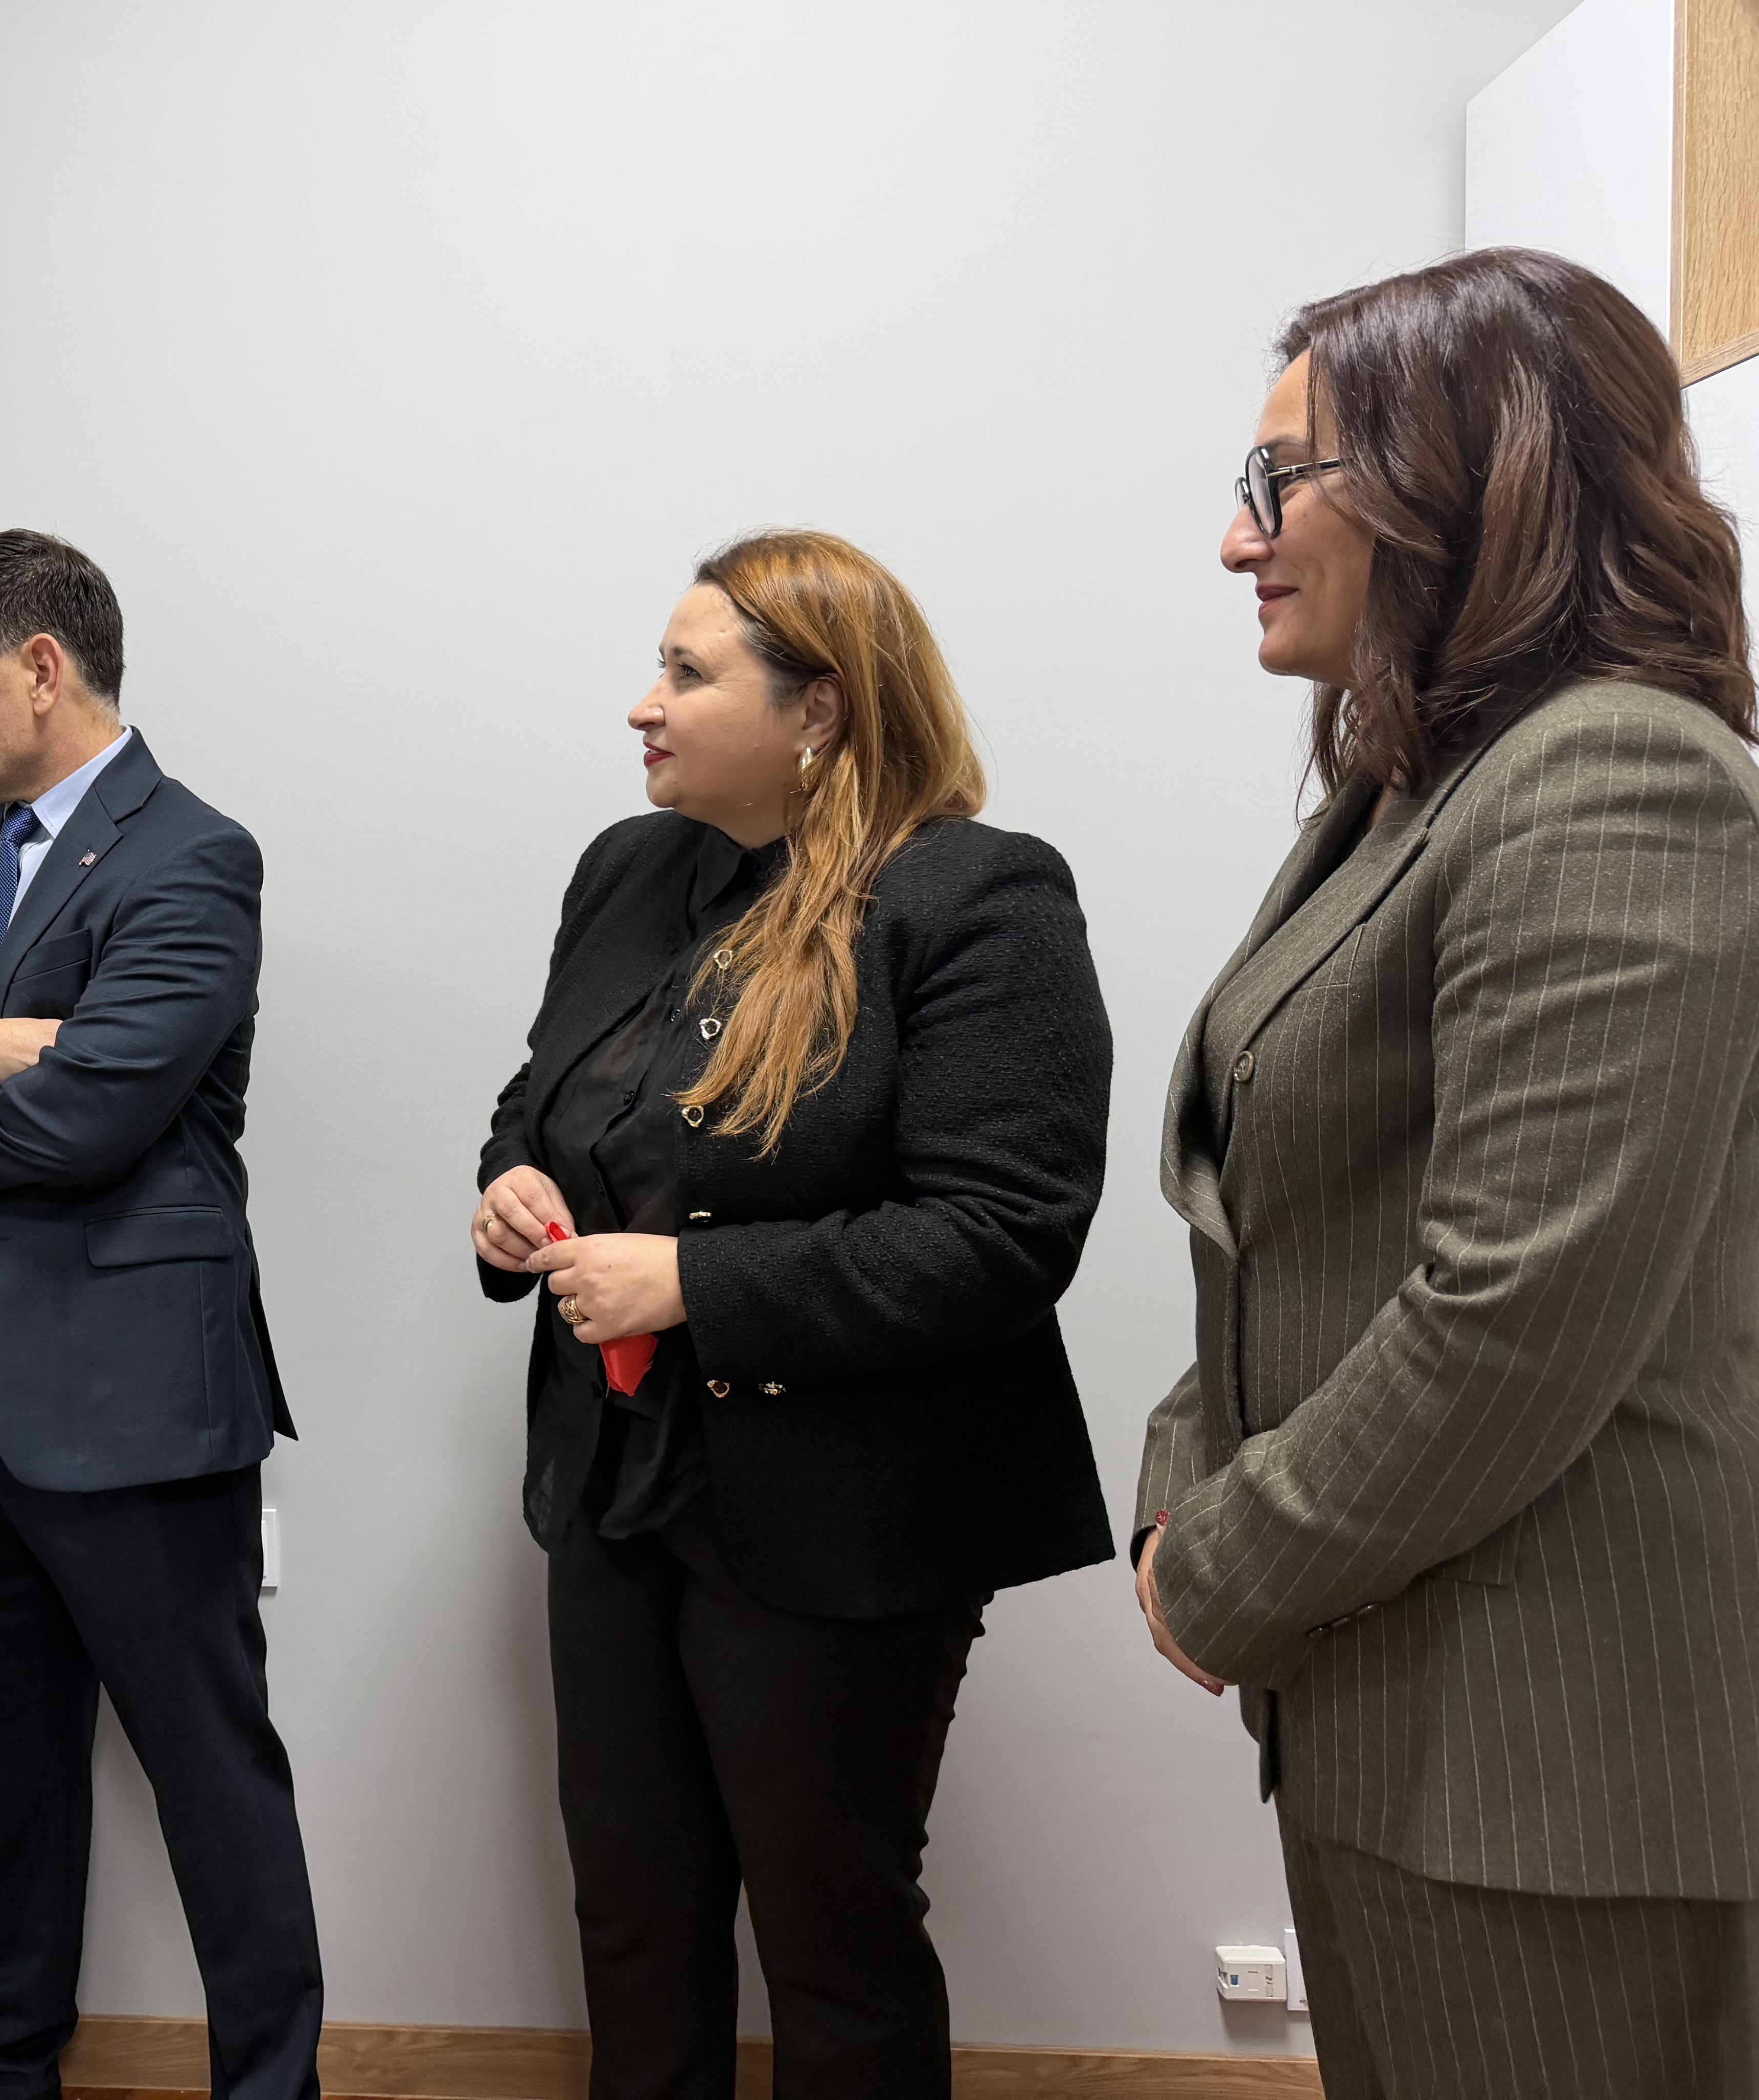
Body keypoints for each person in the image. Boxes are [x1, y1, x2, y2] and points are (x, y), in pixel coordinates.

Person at [1134, 247, 1759, 2097]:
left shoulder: (1617, 776)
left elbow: (1512, 1312)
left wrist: (1216, 1565)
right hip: (1403, 1709)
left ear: (1461, 472)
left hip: (1549, 1765)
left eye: (1278, 483)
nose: (1238, 541)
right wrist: (1181, 1481)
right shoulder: (1424, 783)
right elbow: (1280, 1219)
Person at [474, 531, 1115, 2100]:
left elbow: (1001, 1235)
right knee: (633, 1919)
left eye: (687, 673)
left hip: (841, 1513)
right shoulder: (629, 871)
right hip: (616, 1485)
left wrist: (691, 1284)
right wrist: (512, 1191)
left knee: (835, 1946)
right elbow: (543, 1100)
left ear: (817, 707)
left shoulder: (978, 897)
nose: (645, 703)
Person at [0, 530, 319, 2100]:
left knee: (212, 1778)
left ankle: (272, 2085)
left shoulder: (194, 855)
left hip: (137, 1402)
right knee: (4, 1783)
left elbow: (95, 1115)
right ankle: (0, 2074)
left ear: (39, 667)